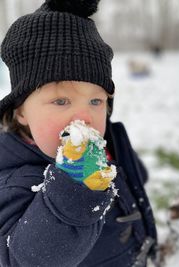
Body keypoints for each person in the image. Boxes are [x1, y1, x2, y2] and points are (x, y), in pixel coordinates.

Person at [0, 1, 157, 266]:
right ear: (21, 112)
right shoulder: (14, 181)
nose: (84, 117)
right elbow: (22, 260)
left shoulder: (110, 142)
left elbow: (135, 180)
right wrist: (75, 187)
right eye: (61, 101)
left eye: (96, 102)